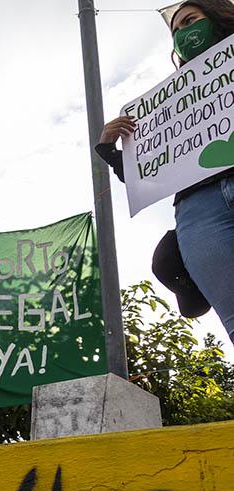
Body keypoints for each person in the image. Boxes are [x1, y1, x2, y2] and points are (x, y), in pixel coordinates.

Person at [96, 0, 234, 343]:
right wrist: (110, 150)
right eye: (176, 31)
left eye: (190, 21)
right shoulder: (173, 102)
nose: (184, 33)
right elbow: (151, 176)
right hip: (200, 212)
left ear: (216, 17)